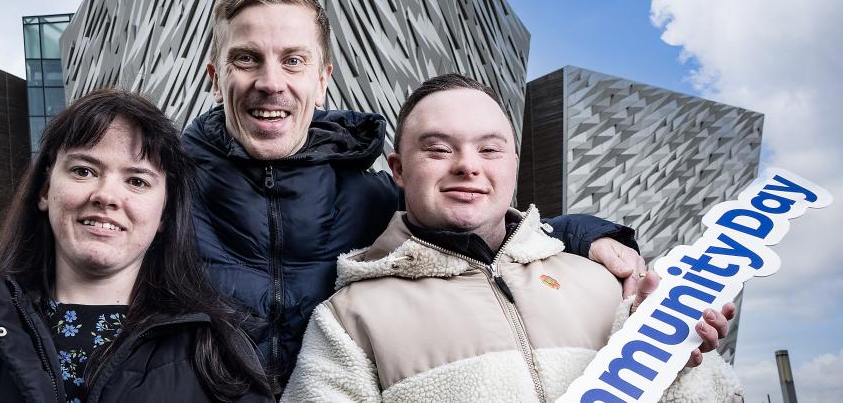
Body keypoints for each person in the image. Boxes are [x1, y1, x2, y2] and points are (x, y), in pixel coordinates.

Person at [0, 0, 655, 387]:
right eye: (247, 60)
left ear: (322, 76)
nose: (271, 83)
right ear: (214, 75)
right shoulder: (166, 188)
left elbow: (499, 228)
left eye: (292, 61)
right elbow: (69, 255)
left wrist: (598, 240)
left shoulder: (377, 196)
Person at [281, 74, 743, 402]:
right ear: (398, 169)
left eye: (489, 148)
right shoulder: (347, 319)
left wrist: (676, 362)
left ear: (513, 165)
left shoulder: (609, 284)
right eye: (439, 149)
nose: (468, 165)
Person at [0, 89, 273, 402]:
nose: (106, 196)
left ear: (165, 212)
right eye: (83, 171)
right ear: (46, 190)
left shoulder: (217, 352)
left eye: (137, 180)